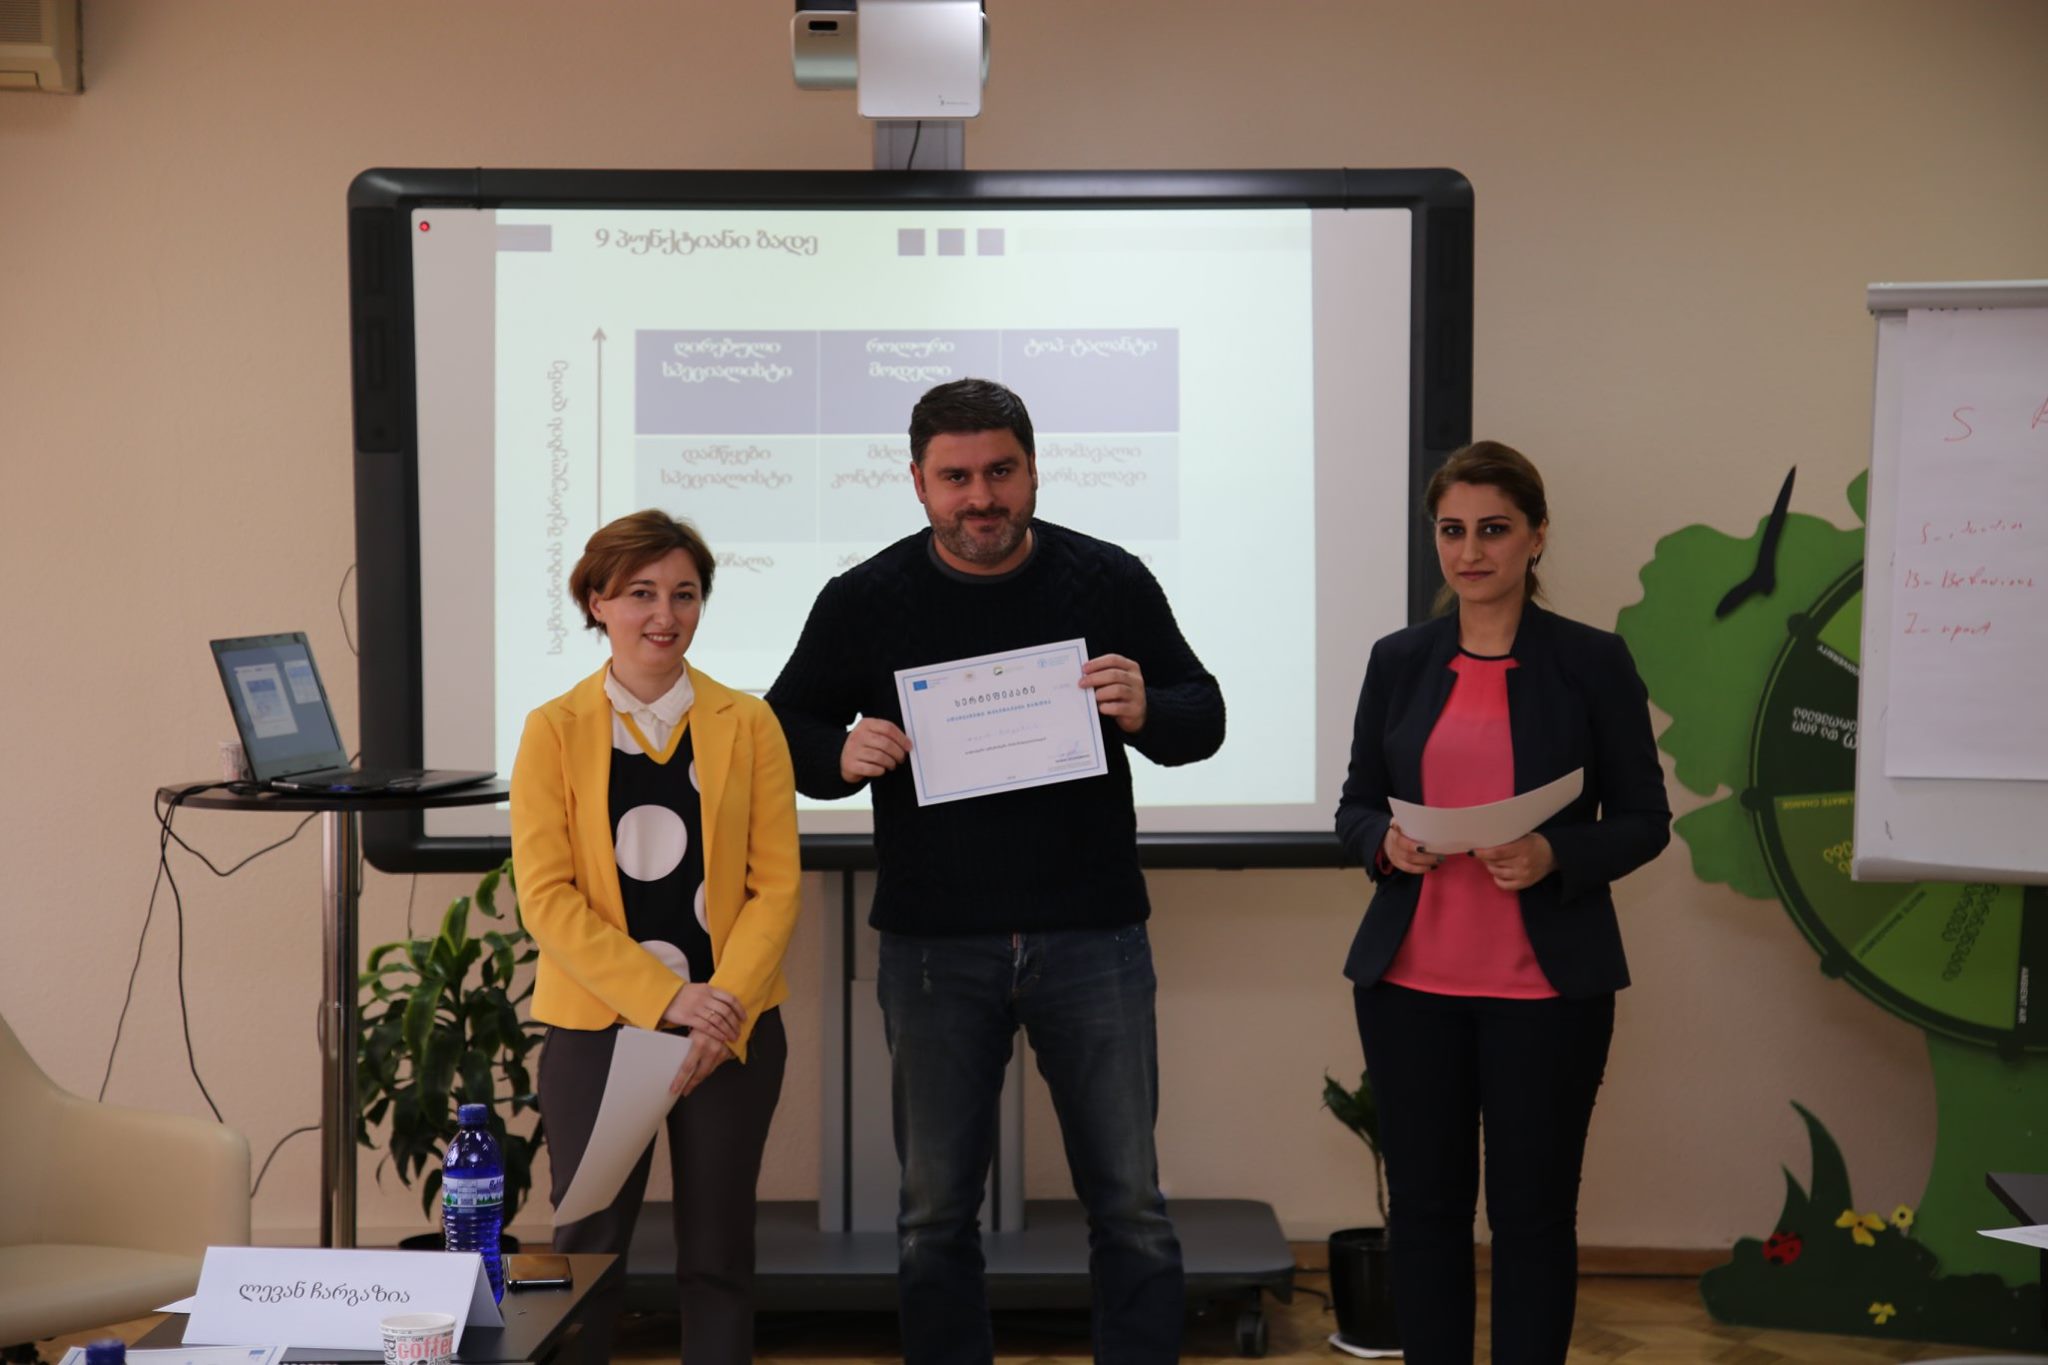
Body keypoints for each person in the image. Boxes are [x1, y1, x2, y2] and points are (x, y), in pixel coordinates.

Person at [766, 378, 1224, 1365]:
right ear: (918, 483)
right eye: (956, 477)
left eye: (1000, 471)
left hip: (1092, 936)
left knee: (1130, 1205)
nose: (981, 497)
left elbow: (1204, 713)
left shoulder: (1108, 580)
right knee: (933, 1215)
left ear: (1033, 469)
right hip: (935, 947)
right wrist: (835, 753)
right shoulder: (864, 598)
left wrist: (1150, 707)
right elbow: (780, 728)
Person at [1334, 441, 1670, 1365]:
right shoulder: (1398, 660)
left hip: (1547, 991)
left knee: (1532, 1216)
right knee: (1425, 1213)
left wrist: (1555, 850)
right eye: (1452, 531)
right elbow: (1355, 804)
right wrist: (1383, 841)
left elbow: (1645, 819)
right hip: (1409, 986)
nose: (1470, 551)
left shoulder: (1592, 661)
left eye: (1493, 529)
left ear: (1537, 536)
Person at [511, 509, 801, 1365]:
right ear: (597, 602)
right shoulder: (553, 728)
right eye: (640, 593)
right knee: (587, 1253)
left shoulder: (749, 722)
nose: (664, 615)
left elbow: (776, 885)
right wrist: (668, 997)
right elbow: (547, 896)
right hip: (600, 1028)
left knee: (719, 1255)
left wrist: (720, 1008)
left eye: (684, 594)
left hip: (731, 1027)